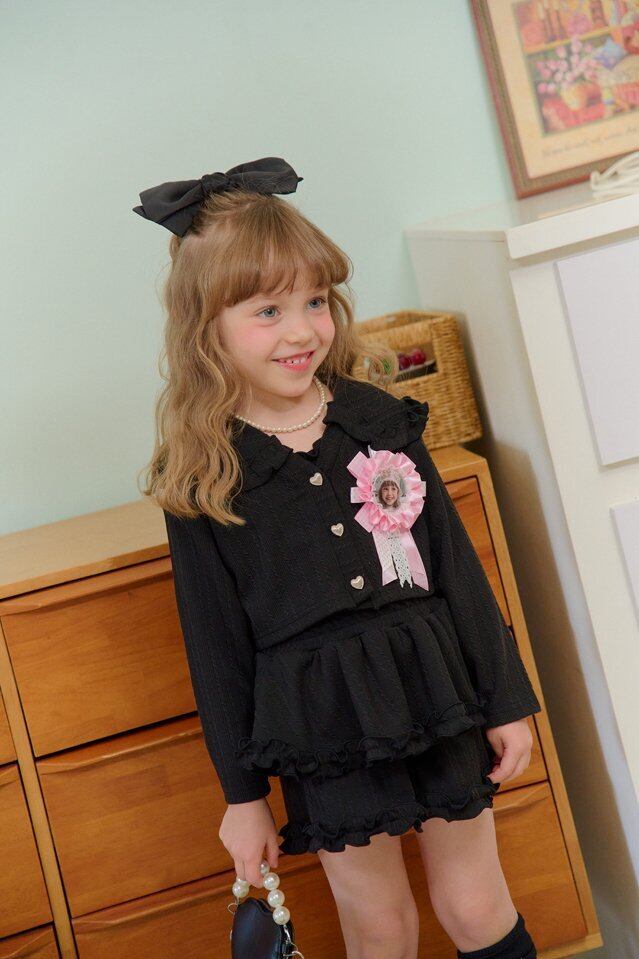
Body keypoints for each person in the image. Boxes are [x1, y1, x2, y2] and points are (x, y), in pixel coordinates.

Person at [135, 157, 540, 959]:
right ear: (205, 327)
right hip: (321, 723)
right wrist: (242, 797)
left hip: (435, 691)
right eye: (267, 310)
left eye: (315, 301)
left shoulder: (378, 417)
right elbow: (216, 649)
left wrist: (505, 700)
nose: (301, 331)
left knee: (474, 903)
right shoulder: (203, 472)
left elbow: (454, 568)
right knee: (378, 924)